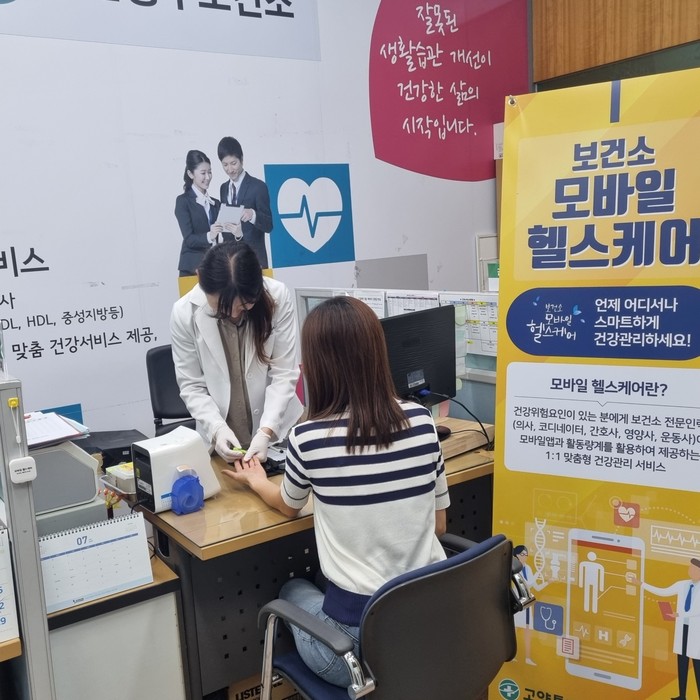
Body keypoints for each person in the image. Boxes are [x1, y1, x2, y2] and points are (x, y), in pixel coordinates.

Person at [224, 296, 450, 687]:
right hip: (432, 629)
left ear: (315, 367)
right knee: (326, 577)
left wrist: (258, 480)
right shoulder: (422, 422)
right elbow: (439, 526)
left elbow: (289, 506)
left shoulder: (309, 438)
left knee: (294, 587)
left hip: (355, 656)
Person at [170, 241, 303, 461]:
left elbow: (284, 372)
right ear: (200, 279)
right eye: (221, 307)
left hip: (279, 433)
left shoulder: (277, 296)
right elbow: (191, 386)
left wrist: (266, 430)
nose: (233, 314)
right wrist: (217, 429)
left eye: (243, 306)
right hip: (221, 439)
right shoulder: (183, 313)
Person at [635, 558, 700, 700]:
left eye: (694, 569)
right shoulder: (682, 584)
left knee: (697, 666)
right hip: (683, 629)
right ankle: (682, 696)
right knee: (682, 663)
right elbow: (663, 592)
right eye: (690, 568)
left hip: (696, 632)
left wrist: (679, 614)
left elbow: (697, 610)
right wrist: (642, 584)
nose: (691, 571)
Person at [217, 136, 273, 268]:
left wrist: (253, 215)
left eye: (233, 163)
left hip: (254, 260)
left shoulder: (258, 187)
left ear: (241, 159)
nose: (230, 169)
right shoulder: (223, 188)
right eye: (225, 165)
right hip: (231, 261)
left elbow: (269, 225)